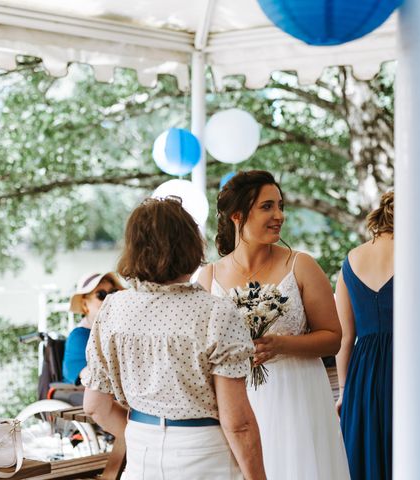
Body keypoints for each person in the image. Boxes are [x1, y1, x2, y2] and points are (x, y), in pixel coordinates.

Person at [82, 197, 266, 480]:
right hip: (205, 454)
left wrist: (146, 437)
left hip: (141, 452)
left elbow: (95, 406)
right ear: (191, 245)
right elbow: (238, 423)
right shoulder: (215, 313)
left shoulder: (112, 310)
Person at [198, 170, 350, 480]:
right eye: (267, 207)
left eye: (280, 206)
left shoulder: (300, 265)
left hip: (298, 396)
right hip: (239, 399)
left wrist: (281, 344)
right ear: (237, 215)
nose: (279, 215)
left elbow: (333, 338)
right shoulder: (209, 277)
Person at [334, 191, 394, 480]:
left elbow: (344, 338)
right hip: (410, 365)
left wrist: (346, 392)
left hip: (364, 373)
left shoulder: (351, 259)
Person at [62, 272, 123, 384]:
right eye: (101, 295)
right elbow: (92, 377)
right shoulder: (79, 336)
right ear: (85, 304)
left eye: (114, 293)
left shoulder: (118, 333)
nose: (109, 299)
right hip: (81, 397)